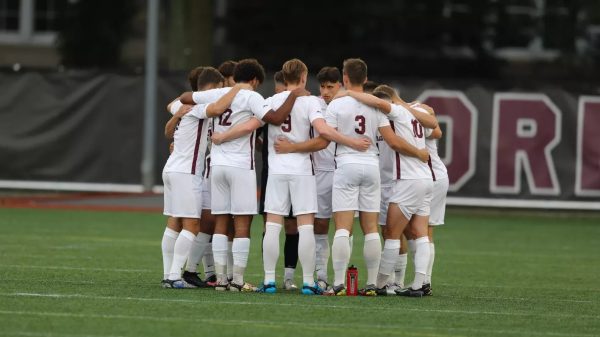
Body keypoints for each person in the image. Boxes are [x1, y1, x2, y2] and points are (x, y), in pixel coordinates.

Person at [212, 58, 371, 294]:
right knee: (305, 226)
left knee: (273, 226)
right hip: (302, 171)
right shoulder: (310, 102)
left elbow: (252, 125)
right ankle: (308, 281)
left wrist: (222, 137)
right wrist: (352, 142)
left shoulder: (269, 100)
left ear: (284, 79)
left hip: (276, 171)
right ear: (304, 78)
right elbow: (324, 133)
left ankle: (268, 280)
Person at [179, 58, 307, 291]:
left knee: (220, 221)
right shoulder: (252, 96)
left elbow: (185, 98)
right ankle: (237, 280)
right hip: (240, 166)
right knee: (242, 224)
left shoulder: (221, 92)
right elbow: (276, 118)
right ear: (255, 80)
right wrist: (294, 95)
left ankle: (219, 280)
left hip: (216, 165)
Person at [323, 58, 429, 296]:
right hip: (371, 166)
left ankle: (339, 283)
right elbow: (391, 141)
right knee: (371, 228)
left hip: (346, 163)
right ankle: (372, 284)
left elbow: (326, 134)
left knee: (342, 227)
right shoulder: (377, 106)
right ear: (367, 79)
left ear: (345, 78)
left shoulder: (337, 105)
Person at [341, 84, 438, 297]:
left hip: (408, 180)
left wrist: (349, 92)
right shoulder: (416, 114)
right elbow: (434, 127)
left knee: (391, 233)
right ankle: (419, 284)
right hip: (425, 179)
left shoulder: (396, 111)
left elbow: (378, 102)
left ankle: (380, 283)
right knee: (420, 234)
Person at [162, 70, 253, 288]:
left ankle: (169, 274)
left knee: (175, 223)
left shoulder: (182, 105)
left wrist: (178, 111)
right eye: (219, 87)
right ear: (213, 88)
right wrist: (237, 88)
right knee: (192, 225)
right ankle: (174, 276)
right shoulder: (199, 107)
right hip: (186, 172)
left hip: (172, 168)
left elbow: (170, 105)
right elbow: (218, 108)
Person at [272, 66, 342, 290]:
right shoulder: (314, 103)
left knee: (344, 227)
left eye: (331, 86)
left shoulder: (350, 103)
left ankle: (342, 279)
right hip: (318, 171)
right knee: (318, 225)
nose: (326, 91)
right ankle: (320, 277)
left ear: (342, 84)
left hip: (344, 170)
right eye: (322, 86)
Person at [258, 70, 301, 291]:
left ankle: (289, 276)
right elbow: (254, 133)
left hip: (294, 171)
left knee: (292, 225)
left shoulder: (303, 104)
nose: (281, 93)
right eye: (278, 90)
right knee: (270, 223)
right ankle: (269, 275)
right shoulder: (268, 104)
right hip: (271, 171)